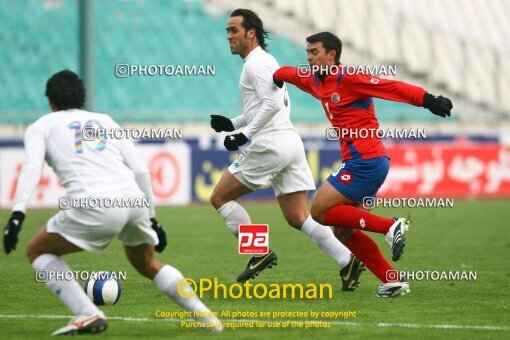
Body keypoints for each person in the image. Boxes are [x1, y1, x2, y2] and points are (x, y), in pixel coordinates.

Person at [3, 70, 223, 335]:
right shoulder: (104, 120)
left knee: (37, 250)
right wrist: (152, 218)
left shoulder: (42, 126)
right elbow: (141, 170)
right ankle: (208, 319)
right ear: (82, 98)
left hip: (95, 203)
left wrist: (17, 214)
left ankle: (86, 313)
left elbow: (31, 167)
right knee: (147, 264)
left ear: (51, 102)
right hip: (133, 199)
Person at [273, 32, 453, 297]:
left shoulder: (351, 78)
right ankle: (392, 280)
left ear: (331, 54)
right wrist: (274, 76)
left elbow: (391, 87)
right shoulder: (314, 80)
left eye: (314, 52)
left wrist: (427, 100)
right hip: (365, 162)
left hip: (365, 161)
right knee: (343, 231)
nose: (309, 57)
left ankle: (389, 226)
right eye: (308, 53)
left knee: (320, 211)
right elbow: (287, 73)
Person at [209, 9, 364, 291]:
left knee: (220, 197)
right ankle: (347, 259)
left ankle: (258, 251)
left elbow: (272, 105)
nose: (229, 36)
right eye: (227, 31)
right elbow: (265, 105)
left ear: (251, 33)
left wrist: (243, 135)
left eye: (234, 31)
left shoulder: (255, 64)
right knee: (297, 217)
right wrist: (231, 123)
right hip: (289, 143)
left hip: (270, 144)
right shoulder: (266, 62)